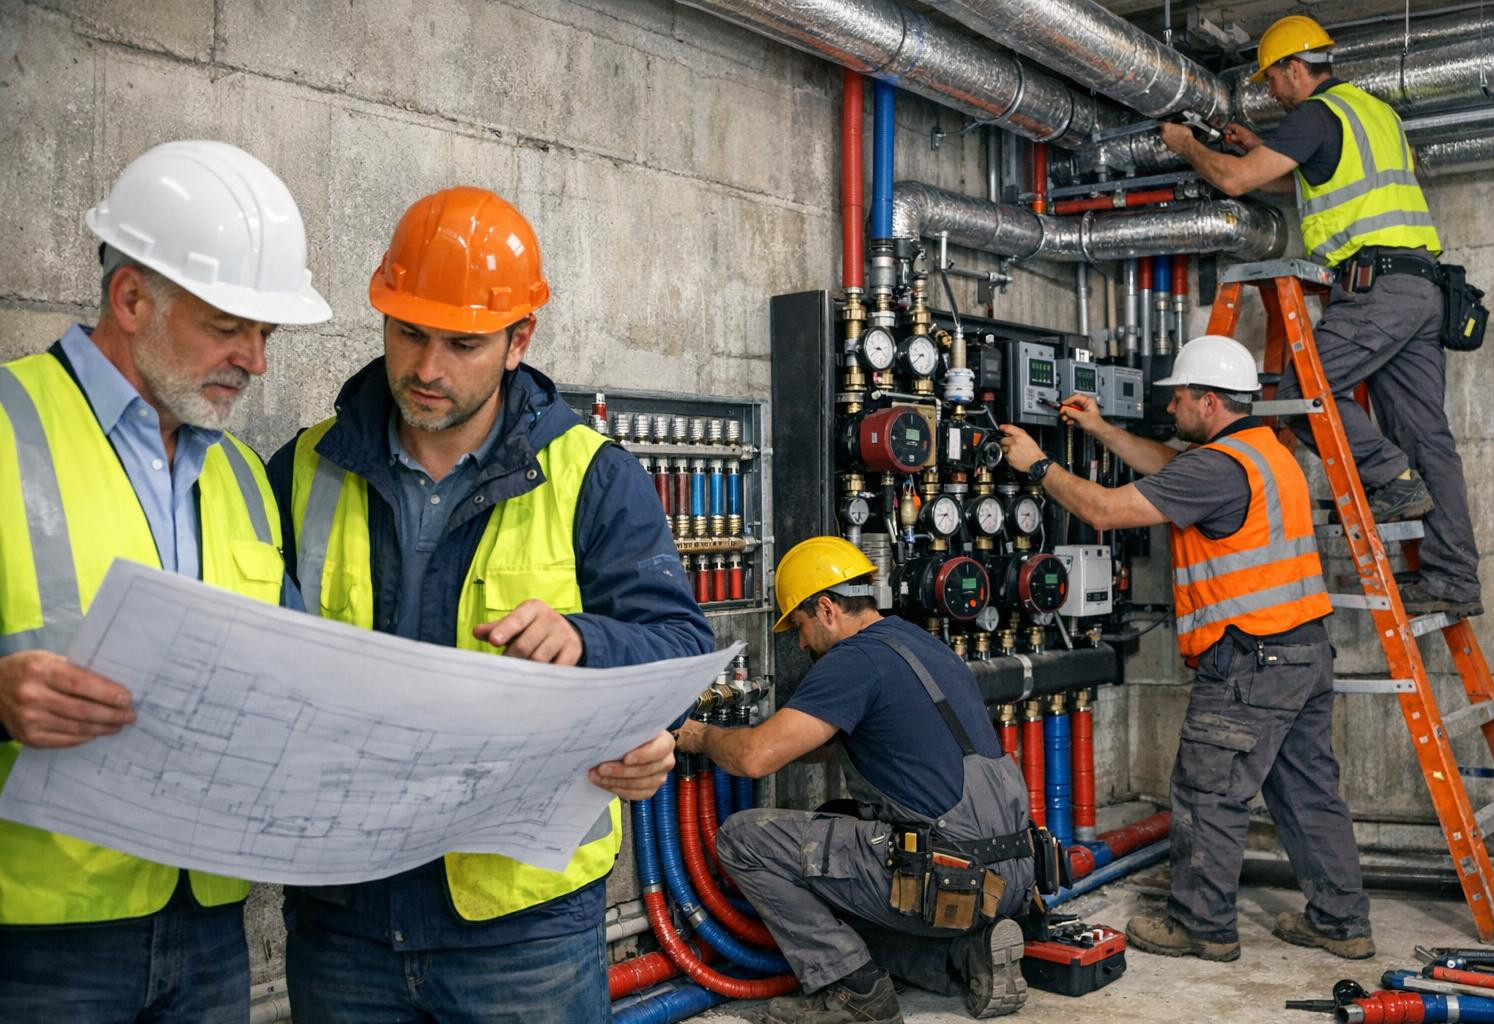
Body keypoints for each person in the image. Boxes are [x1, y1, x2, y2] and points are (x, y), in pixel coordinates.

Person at [266, 185, 712, 1024]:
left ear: (519, 341)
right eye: (408, 333)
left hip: (524, 932)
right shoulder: (301, 469)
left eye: (462, 343)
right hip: (343, 918)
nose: (427, 369)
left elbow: (678, 650)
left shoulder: (593, 476)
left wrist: (585, 644)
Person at [0, 140, 332, 1022]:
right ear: (132, 298)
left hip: (211, 927)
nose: (256, 362)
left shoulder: (242, 481)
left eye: (265, 334)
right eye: (230, 327)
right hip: (38, 940)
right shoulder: (5, 425)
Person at [999, 335, 1374, 963]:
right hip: (1304, 652)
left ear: (1208, 400)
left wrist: (1038, 465)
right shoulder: (1264, 452)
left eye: (1178, 398)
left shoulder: (1215, 468)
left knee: (1208, 792)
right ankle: (1341, 921)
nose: (1170, 407)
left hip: (1251, 661)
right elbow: (1166, 464)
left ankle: (1201, 925)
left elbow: (1105, 510)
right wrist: (1100, 429)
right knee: (1310, 793)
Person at [1160, 14, 1479, 618]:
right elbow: (1314, 178)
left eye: (1273, 80)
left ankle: (1389, 477)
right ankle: (1454, 578)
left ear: (1295, 68)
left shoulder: (1314, 114)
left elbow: (1230, 181)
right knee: (1427, 437)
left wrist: (1189, 147)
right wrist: (1263, 151)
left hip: (1375, 289)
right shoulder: (1374, 113)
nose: (1270, 93)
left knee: (1300, 389)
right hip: (1420, 287)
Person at [675, 536, 1033, 1024]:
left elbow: (755, 759)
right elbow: (837, 741)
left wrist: (699, 735)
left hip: (950, 874)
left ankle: (857, 992)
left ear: (826, 609)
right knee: (842, 826)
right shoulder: (921, 643)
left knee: (745, 841)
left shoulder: (852, 661)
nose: (800, 644)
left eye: (799, 626)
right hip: (1009, 876)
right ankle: (965, 956)